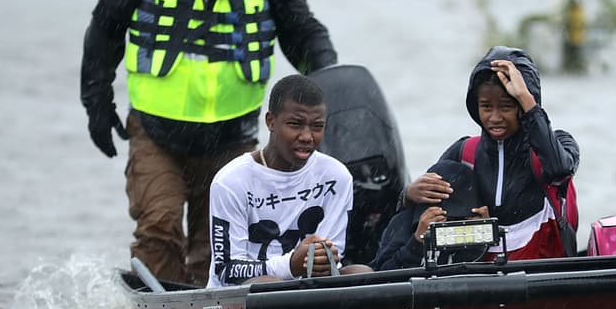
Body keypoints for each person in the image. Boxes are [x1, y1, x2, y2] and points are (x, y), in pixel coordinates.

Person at [80, 0, 337, 285]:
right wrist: (97, 103)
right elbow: (104, 32)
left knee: (217, 245)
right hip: (155, 133)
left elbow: (304, 34)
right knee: (159, 226)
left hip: (232, 137)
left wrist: (331, 85)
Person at [405, 46, 579, 260]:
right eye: (486, 107)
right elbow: (421, 217)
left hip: (541, 275)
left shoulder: (559, 144)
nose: (495, 118)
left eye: (506, 107)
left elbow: (559, 169)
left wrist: (526, 98)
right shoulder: (463, 153)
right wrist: (407, 196)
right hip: (481, 277)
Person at [208, 75, 367, 287]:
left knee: (361, 273)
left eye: (317, 126)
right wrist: (290, 265)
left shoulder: (337, 176)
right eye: (295, 124)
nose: (307, 136)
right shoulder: (230, 182)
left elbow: (331, 264)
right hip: (245, 294)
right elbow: (226, 270)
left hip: (306, 290)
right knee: (269, 285)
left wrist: (320, 259)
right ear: (271, 121)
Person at [371, 160, 489, 270]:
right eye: (443, 216)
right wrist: (417, 242)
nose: (447, 223)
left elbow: (474, 269)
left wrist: (483, 237)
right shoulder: (403, 223)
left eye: (457, 218)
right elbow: (383, 272)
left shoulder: (472, 226)